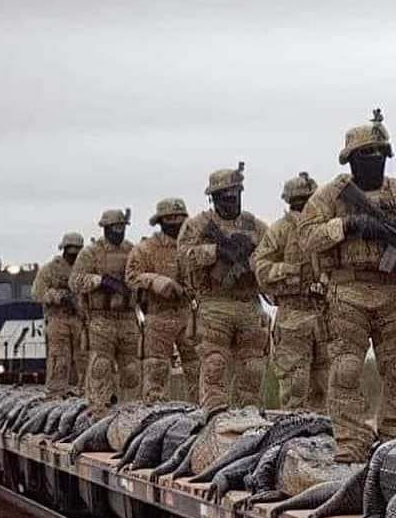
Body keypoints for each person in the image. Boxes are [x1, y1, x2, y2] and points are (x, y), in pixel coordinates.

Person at [298, 111, 396, 462]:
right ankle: (351, 441)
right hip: (347, 291)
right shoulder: (331, 196)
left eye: (381, 153)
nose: (375, 160)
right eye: (367, 154)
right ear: (351, 159)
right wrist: (348, 225)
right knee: (346, 369)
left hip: (395, 291)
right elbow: (306, 236)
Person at [177, 165, 268, 409]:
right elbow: (183, 257)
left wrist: (250, 261)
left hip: (248, 303)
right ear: (213, 198)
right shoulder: (198, 225)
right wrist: (216, 251)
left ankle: (248, 417)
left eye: (233, 195)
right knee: (214, 366)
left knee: (253, 368)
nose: (229, 201)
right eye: (223, 197)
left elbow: (270, 256)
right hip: (214, 302)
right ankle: (214, 416)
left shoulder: (256, 227)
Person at [251, 172, 330, 411]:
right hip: (292, 315)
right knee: (295, 389)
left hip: (325, 314)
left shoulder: (325, 226)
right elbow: (261, 268)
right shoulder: (280, 230)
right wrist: (293, 272)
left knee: (328, 387)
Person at [125, 198, 199, 402]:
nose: (176, 223)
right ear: (160, 221)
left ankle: (202, 411)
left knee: (198, 368)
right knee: (156, 369)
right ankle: (155, 410)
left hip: (188, 314)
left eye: (180, 218)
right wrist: (157, 282)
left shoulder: (192, 247)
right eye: (170, 219)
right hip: (158, 315)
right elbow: (131, 277)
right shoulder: (146, 249)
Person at [69, 209, 139, 417]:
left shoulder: (132, 251)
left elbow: (140, 276)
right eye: (115, 228)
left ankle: (132, 411)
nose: (119, 231)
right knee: (101, 366)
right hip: (101, 318)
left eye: (122, 227)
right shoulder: (91, 253)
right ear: (106, 229)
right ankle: (99, 410)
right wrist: (100, 281)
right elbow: (75, 281)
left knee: (131, 369)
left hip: (127, 317)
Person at [31, 231, 85, 396]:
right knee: (59, 356)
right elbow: (37, 293)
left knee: (83, 356)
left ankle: (81, 389)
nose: (74, 256)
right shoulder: (50, 270)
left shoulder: (84, 269)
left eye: (77, 252)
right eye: (71, 252)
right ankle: (56, 391)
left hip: (79, 318)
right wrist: (58, 296)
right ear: (64, 249)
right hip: (58, 318)